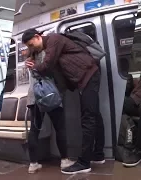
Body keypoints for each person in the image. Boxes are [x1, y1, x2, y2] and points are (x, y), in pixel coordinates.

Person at [22, 28, 103, 174]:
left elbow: (47, 66)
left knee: (88, 117)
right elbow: (51, 70)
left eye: (30, 44)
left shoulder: (53, 40)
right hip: (52, 94)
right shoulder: (40, 52)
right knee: (74, 122)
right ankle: (73, 159)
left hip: (39, 95)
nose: (30, 47)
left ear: (37, 36)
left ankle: (88, 159)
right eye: (28, 46)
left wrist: (34, 66)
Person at [24, 46, 74, 173]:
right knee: (60, 128)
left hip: (34, 96)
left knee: (34, 130)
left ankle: (33, 163)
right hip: (49, 94)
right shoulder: (46, 55)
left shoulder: (29, 59)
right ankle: (64, 160)